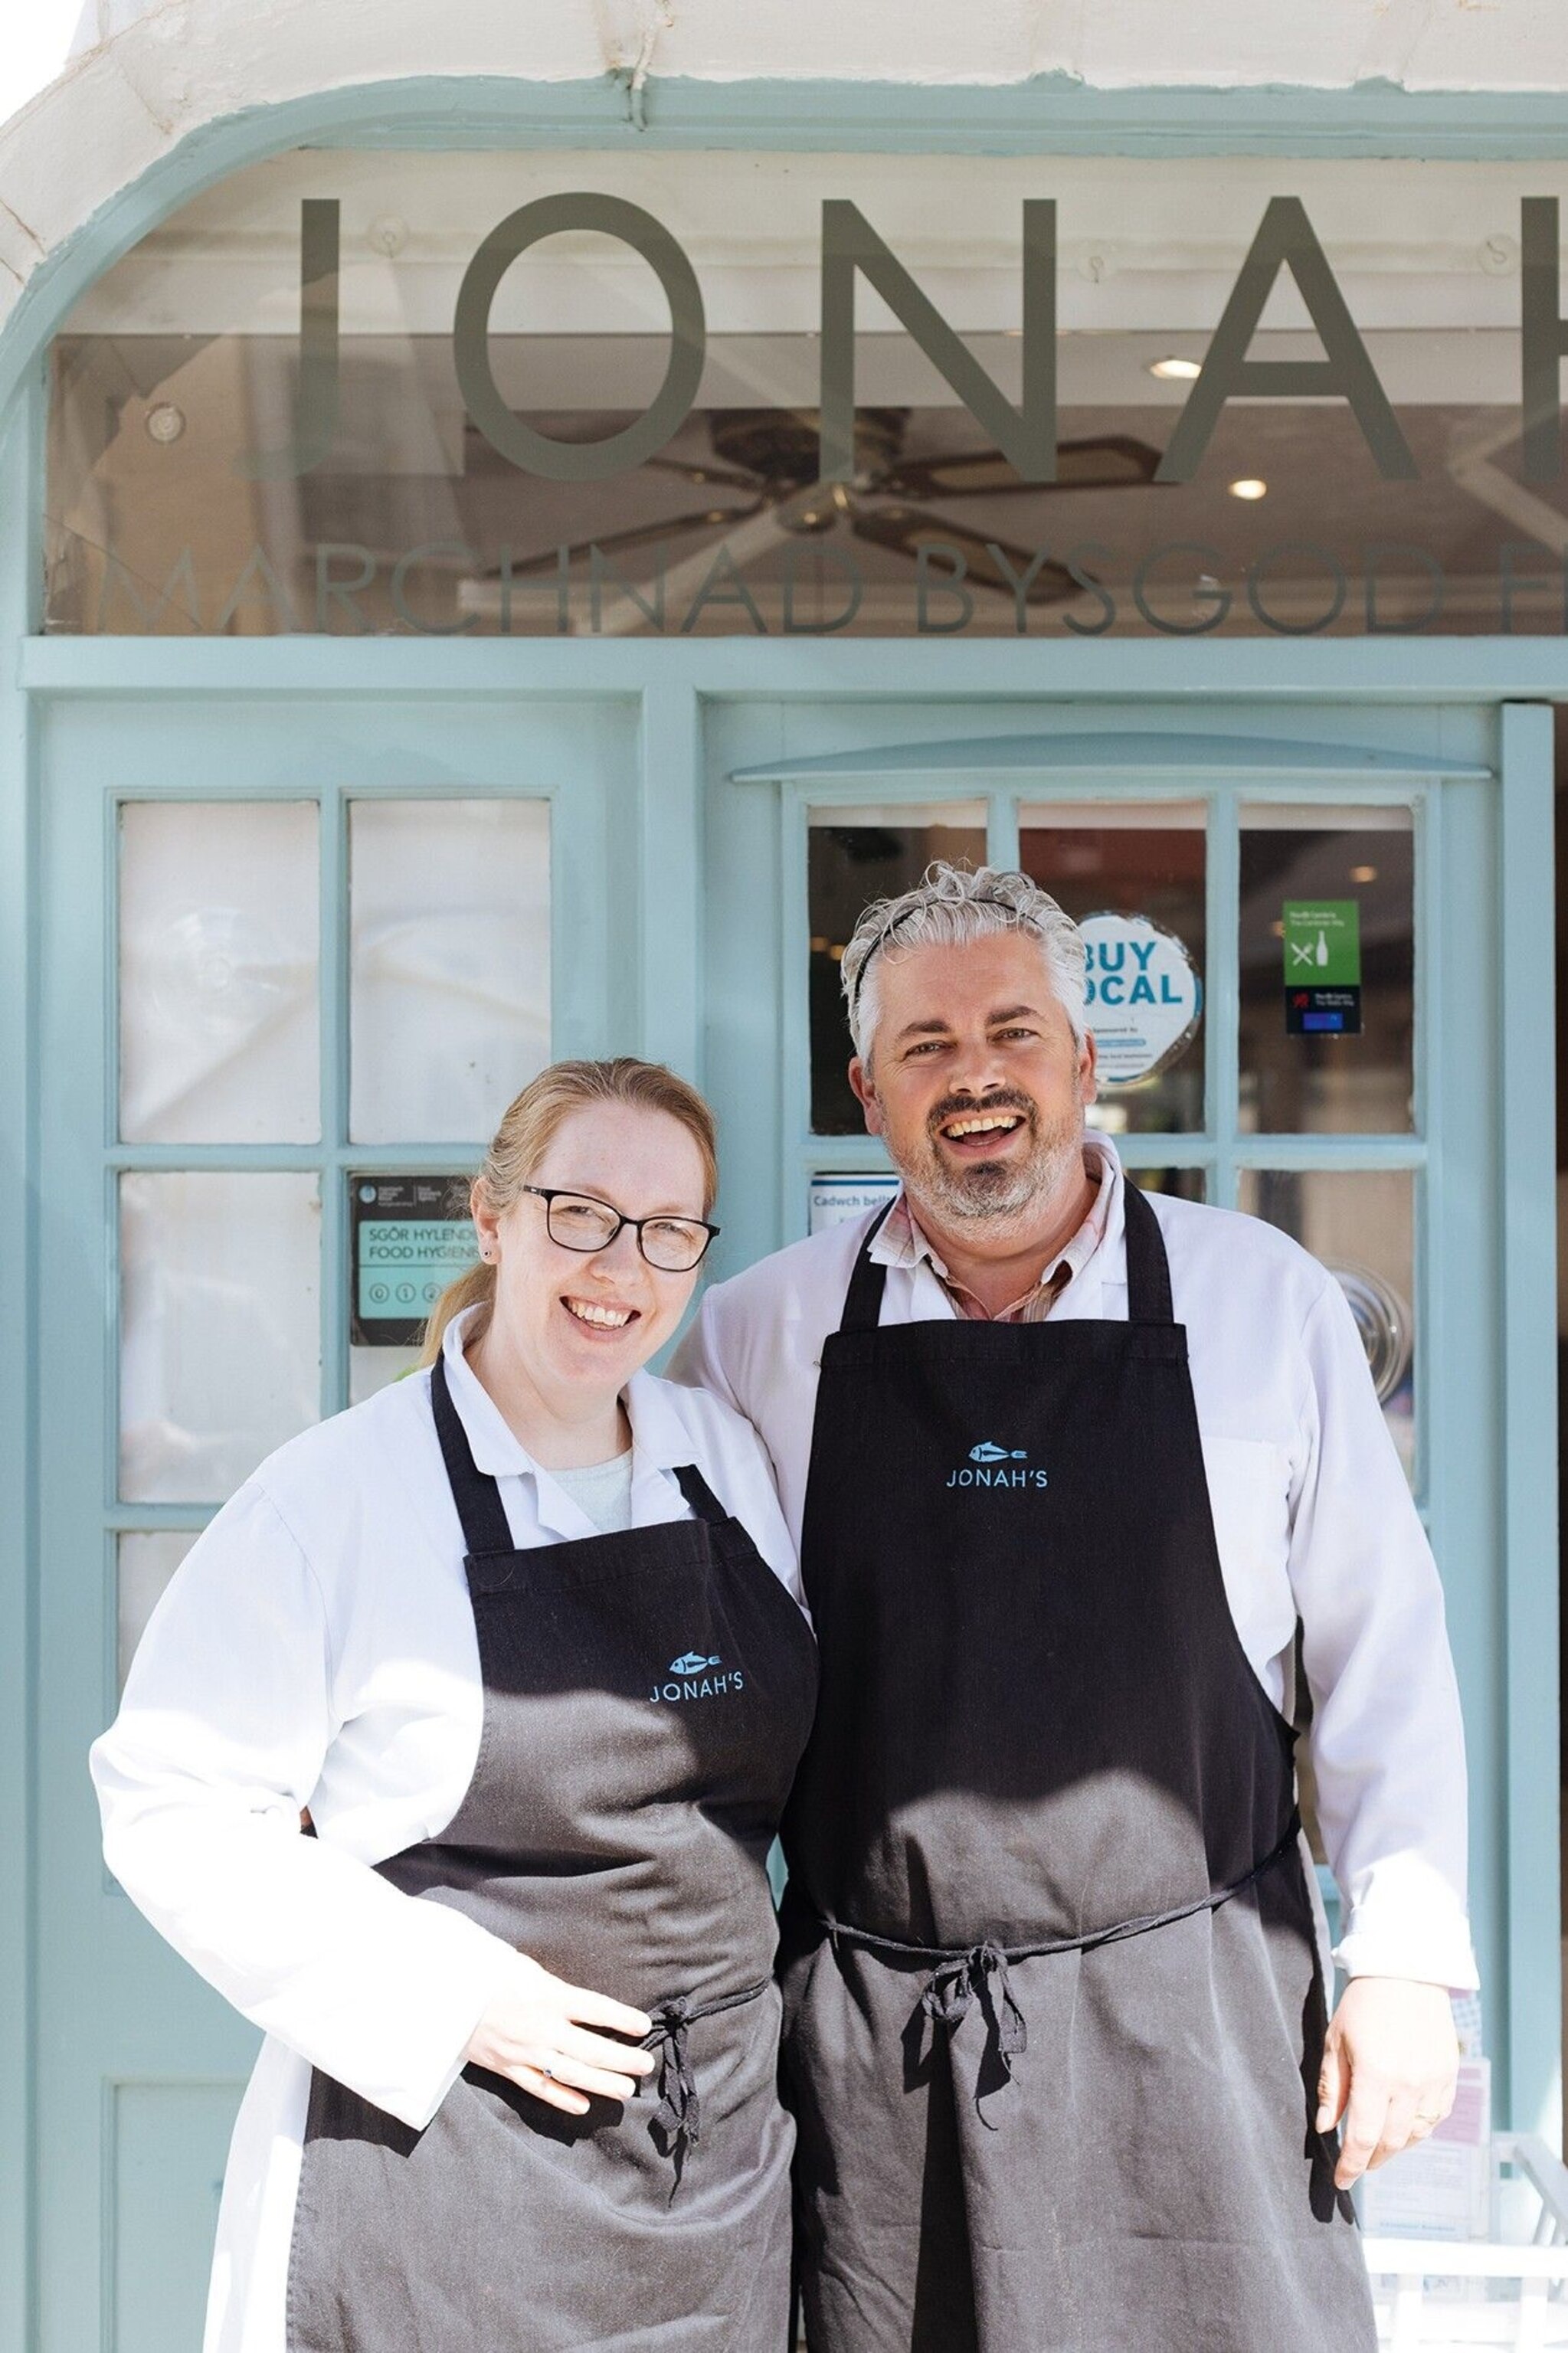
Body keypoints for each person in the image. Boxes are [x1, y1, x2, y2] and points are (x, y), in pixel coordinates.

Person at [674, 865, 1474, 2353]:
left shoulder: (1260, 1304)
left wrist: (1409, 1966)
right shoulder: (756, 1338)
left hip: (1207, 2020)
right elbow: (685, 1687)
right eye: (924, 1045)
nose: (972, 1075)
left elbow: (1384, 1656)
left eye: (1010, 1031)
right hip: (876, 2038)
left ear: (1083, 1061)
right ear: (866, 1087)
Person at [91, 1057, 817, 2353]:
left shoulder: (725, 1457)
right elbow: (170, 1805)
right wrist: (454, 1998)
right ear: (493, 1219)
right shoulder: (337, 1499)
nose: (620, 1268)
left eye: (667, 1233)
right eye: (579, 1213)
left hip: (714, 2173)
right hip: (454, 2178)